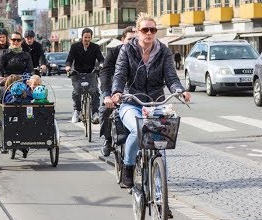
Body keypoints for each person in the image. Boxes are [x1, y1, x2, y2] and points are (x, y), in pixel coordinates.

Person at [111, 12, 191, 194]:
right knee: (136, 129)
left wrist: (180, 91)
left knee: (160, 147)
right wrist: (116, 92)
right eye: (145, 29)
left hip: (156, 103)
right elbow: (120, 74)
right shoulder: (127, 50)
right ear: (138, 31)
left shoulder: (163, 51)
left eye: (152, 30)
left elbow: (171, 77)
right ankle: (128, 166)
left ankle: (160, 195)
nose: (149, 33)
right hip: (131, 101)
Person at [99, 26, 136, 156]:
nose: (133, 42)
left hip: (132, 91)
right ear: (122, 39)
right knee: (105, 110)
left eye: (135, 39)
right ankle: (108, 140)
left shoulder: (141, 53)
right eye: (130, 39)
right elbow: (105, 73)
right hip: (112, 88)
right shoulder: (114, 52)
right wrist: (107, 95)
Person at [65, 27, 104, 124]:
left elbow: (101, 59)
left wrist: (101, 64)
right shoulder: (75, 47)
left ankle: (95, 113)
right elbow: (69, 59)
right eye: (85, 37)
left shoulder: (95, 47)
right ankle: (77, 111)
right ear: (82, 37)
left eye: (89, 37)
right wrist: (68, 67)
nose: (87, 39)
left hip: (91, 72)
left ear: (91, 38)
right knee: (76, 92)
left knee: (95, 91)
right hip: (78, 73)